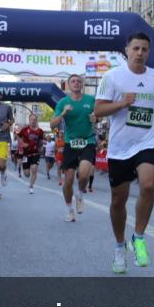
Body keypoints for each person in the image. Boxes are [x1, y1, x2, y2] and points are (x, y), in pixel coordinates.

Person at [95, 33, 154, 274]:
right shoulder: (112, 77)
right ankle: (119, 245)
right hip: (120, 147)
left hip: (145, 142)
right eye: (136, 48)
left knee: (148, 185)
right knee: (118, 200)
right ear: (126, 50)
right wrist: (122, 104)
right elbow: (99, 110)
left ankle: (138, 237)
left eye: (144, 49)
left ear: (149, 52)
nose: (140, 53)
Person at [52, 74, 98, 222]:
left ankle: (79, 194)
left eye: (79, 81)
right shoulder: (63, 102)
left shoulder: (91, 100)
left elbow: (99, 115)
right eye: (73, 81)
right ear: (68, 85)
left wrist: (97, 118)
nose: (76, 83)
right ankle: (69, 209)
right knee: (68, 181)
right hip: (70, 143)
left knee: (84, 174)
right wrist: (64, 113)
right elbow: (53, 124)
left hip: (88, 141)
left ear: (82, 84)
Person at [19, 113, 45, 194]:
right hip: (26, 154)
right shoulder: (24, 129)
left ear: (36, 121)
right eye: (31, 119)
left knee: (34, 169)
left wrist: (41, 147)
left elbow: (40, 141)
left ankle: (31, 186)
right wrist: (23, 143)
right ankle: (28, 173)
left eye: (34, 119)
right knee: (26, 174)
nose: (33, 121)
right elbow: (18, 137)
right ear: (29, 120)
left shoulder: (40, 131)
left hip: (35, 153)